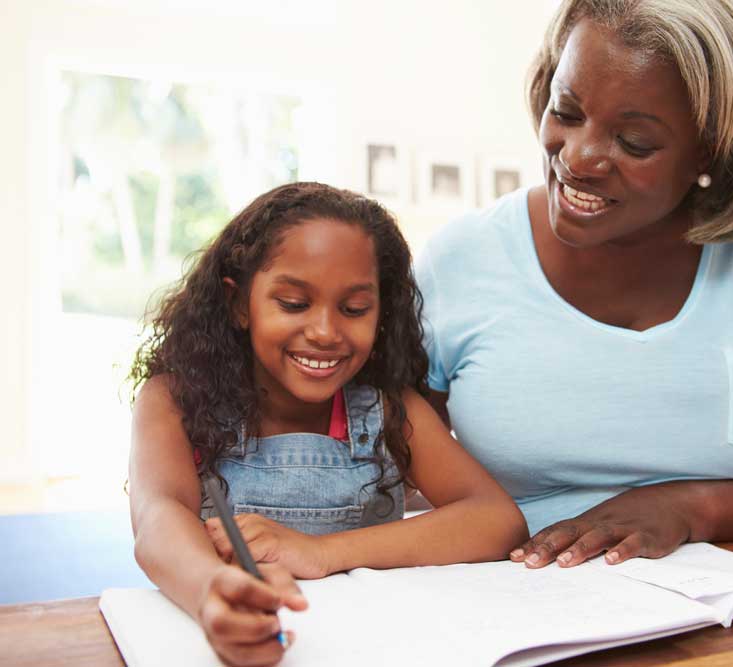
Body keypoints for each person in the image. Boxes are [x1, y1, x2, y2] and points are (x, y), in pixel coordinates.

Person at [416, 0, 733, 572]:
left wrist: (692, 507)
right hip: (515, 609)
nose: (578, 159)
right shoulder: (459, 260)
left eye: (633, 142)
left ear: (713, 147)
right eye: (567, 111)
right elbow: (374, 475)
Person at [128, 182, 527, 667]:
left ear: (382, 312)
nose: (324, 332)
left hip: (372, 648)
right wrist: (213, 591)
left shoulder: (388, 411)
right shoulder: (175, 401)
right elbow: (156, 518)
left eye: (355, 309)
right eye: (294, 304)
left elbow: (496, 519)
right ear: (238, 304)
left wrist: (321, 553)